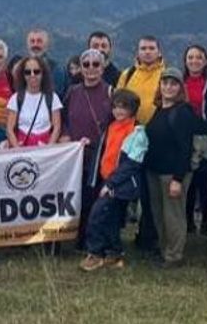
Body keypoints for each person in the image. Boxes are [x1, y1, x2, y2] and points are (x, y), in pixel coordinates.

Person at [80, 90, 147, 271]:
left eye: (124, 107)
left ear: (132, 109)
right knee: (112, 219)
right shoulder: (111, 126)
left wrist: (111, 184)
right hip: (106, 178)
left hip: (120, 184)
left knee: (97, 215)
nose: (119, 111)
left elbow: (132, 164)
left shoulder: (137, 132)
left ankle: (95, 253)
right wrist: (90, 144)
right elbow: (108, 149)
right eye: (116, 106)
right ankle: (115, 254)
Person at [145, 69, 199, 266]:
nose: (168, 87)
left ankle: (174, 255)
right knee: (159, 214)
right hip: (154, 170)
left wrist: (178, 178)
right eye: (165, 83)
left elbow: (185, 147)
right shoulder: (159, 109)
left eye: (173, 84)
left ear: (180, 88)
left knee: (173, 216)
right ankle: (164, 249)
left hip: (172, 173)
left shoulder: (182, 112)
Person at [117, 35, 165, 250]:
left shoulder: (166, 75)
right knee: (126, 186)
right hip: (130, 138)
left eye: (151, 48)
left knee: (151, 192)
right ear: (137, 51)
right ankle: (117, 233)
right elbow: (117, 102)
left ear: (159, 51)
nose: (147, 52)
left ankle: (148, 237)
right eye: (143, 48)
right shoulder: (128, 74)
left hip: (156, 139)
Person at [62, 48, 112, 247]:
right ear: (80, 69)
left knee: (94, 199)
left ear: (103, 67)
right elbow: (63, 118)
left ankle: (94, 238)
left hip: (98, 155)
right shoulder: (72, 92)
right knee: (77, 197)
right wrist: (65, 135)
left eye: (96, 64)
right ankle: (79, 238)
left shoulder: (110, 92)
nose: (91, 69)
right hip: (75, 155)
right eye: (86, 64)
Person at [181, 44, 207, 238]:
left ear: (205, 61)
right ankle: (188, 222)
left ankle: (205, 223)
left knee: (205, 182)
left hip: (206, 137)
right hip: (185, 136)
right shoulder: (180, 81)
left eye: (199, 57)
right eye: (191, 57)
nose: (194, 61)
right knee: (188, 181)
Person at [5, 56, 62, 148]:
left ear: (43, 74)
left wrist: (49, 147)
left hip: (45, 147)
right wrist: (17, 149)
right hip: (22, 147)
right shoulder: (15, 98)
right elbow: (9, 129)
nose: (32, 75)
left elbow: (57, 127)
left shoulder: (52, 97)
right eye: (28, 72)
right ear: (23, 75)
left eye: (36, 71)